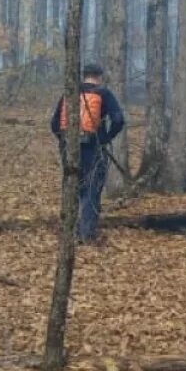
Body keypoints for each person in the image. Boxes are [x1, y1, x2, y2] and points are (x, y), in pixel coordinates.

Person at [50, 63, 125, 244]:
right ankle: (86, 234)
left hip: (69, 149)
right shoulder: (103, 93)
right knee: (92, 189)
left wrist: (64, 141)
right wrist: (106, 137)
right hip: (94, 147)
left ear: (84, 75)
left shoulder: (69, 93)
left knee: (72, 188)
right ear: (99, 76)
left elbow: (54, 124)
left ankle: (69, 232)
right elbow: (119, 120)